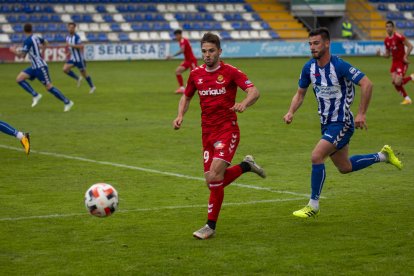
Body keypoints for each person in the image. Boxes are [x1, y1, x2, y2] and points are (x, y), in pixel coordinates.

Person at [283, 27, 403, 219]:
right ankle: (383, 156)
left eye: (316, 43)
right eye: (310, 44)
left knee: (316, 156)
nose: (312, 48)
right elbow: (300, 93)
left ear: (327, 43)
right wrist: (290, 112)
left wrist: (361, 113)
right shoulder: (309, 68)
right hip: (326, 123)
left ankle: (313, 204)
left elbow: (367, 83)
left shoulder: (339, 66)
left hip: (342, 122)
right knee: (344, 167)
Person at [173, 32, 266, 239]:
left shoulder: (230, 72)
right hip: (206, 132)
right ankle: (246, 166)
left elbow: (254, 91)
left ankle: (210, 227)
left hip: (227, 129)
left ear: (219, 51)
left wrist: (243, 103)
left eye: (211, 51)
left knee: (215, 177)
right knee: (212, 182)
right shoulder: (196, 74)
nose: (207, 55)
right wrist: (180, 115)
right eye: (204, 51)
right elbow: (186, 98)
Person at [9, 23, 74, 112]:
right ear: (31, 29)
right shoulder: (36, 37)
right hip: (34, 67)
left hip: (40, 67)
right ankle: (35, 95)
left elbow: (22, 56)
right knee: (19, 79)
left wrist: (13, 51)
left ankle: (67, 102)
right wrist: (42, 52)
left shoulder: (27, 41)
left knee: (49, 87)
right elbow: (46, 42)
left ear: (24, 31)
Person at [377, 20, 414, 105]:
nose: (388, 28)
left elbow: (410, 46)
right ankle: (407, 99)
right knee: (395, 83)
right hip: (394, 63)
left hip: (402, 62)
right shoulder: (386, 40)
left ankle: (411, 77)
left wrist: (405, 56)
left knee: (397, 82)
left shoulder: (399, 36)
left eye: (390, 26)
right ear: (385, 28)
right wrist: (381, 54)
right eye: (387, 27)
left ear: (393, 28)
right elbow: (387, 55)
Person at [63, 22, 96, 94]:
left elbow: (81, 46)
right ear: (68, 28)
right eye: (69, 27)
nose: (71, 29)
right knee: (65, 69)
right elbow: (70, 48)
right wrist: (68, 53)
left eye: (72, 27)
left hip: (79, 59)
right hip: (73, 58)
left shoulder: (77, 37)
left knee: (84, 74)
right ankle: (77, 78)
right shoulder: (67, 37)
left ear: (74, 28)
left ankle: (92, 87)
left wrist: (71, 45)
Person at [167, 29, 198, 94]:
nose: (175, 37)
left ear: (179, 35)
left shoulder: (183, 41)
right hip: (187, 61)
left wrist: (172, 56)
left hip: (192, 61)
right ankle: (181, 88)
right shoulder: (182, 40)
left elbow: (182, 50)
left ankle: (204, 87)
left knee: (195, 76)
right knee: (178, 71)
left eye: (176, 36)